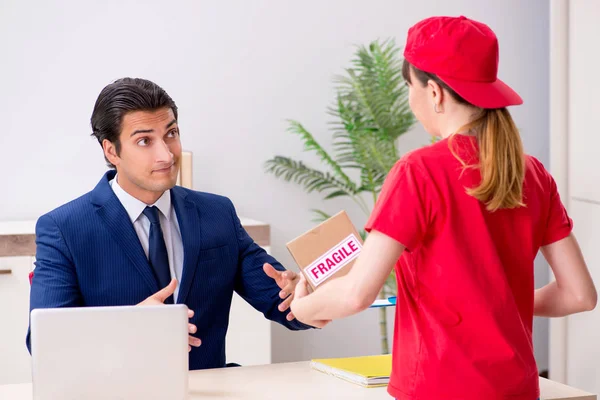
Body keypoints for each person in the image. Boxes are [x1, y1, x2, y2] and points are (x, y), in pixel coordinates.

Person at [290, 15, 597, 400]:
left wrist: (302, 308)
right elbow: (580, 295)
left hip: (435, 389)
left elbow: (357, 294)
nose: (409, 99)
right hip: (516, 389)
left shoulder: (417, 173)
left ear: (434, 93)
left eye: (409, 87)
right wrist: (497, 302)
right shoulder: (532, 173)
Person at [27, 77, 311, 369]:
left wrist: (304, 295)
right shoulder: (64, 228)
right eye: (144, 140)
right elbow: (45, 342)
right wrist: (126, 328)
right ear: (111, 151)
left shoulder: (217, 213)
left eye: (171, 133)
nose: (166, 154)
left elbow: (285, 304)